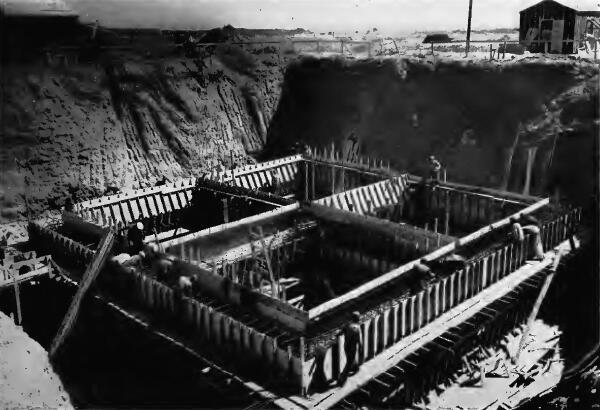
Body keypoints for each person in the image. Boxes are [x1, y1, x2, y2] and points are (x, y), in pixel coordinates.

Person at [339, 311, 363, 384]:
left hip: (346, 346)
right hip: (352, 348)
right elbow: (360, 341)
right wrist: (361, 348)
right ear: (358, 319)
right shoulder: (357, 328)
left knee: (350, 359)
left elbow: (340, 333)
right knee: (349, 363)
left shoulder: (347, 324)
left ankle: (355, 367)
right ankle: (342, 377)